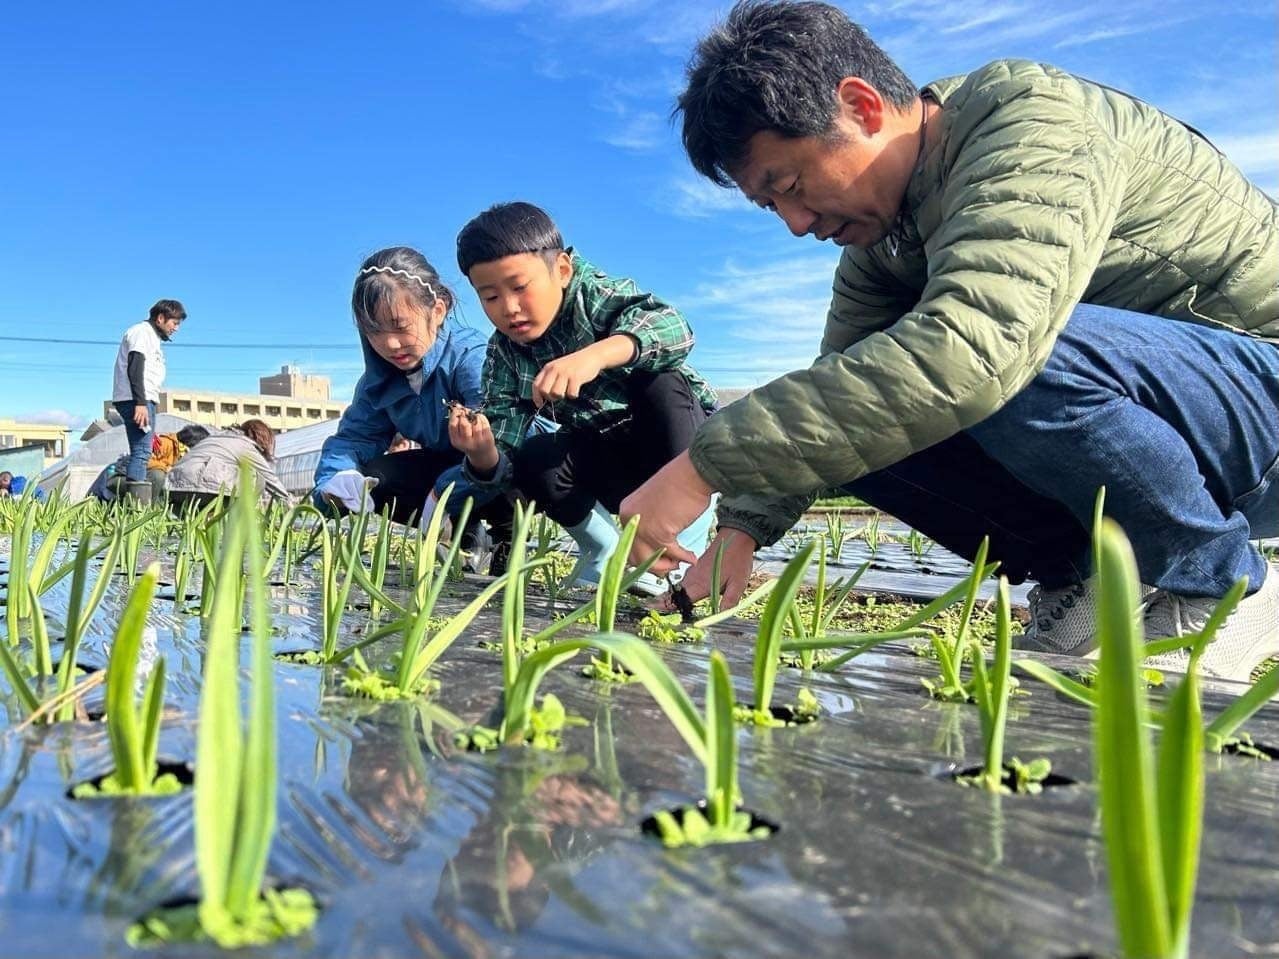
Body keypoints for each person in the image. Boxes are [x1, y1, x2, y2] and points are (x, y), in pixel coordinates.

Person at [621, 0, 1279, 682]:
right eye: (771, 205)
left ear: (861, 106)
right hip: (1179, 424)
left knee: (1004, 357)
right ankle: (1086, 579)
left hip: (1260, 395)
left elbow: (976, 348)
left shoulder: (1030, 122)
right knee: (847, 410)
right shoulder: (885, 245)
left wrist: (701, 465)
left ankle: (1221, 584)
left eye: (789, 185)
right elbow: (833, 386)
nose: (793, 222)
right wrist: (738, 533)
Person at [449, 201, 718, 589]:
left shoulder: (594, 295)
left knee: (660, 383)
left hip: (680, 453)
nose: (509, 308)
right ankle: (606, 551)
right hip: (610, 461)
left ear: (561, 270)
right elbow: (504, 454)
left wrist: (594, 356)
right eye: (490, 297)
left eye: (520, 287)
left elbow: (673, 327)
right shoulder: (504, 353)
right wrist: (481, 452)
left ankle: (676, 553)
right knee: (538, 456)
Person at [313, 247, 517, 573]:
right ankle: (466, 536)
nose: (390, 344)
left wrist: (442, 493)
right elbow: (353, 438)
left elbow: (505, 438)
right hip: (445, 466)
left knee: (507, 463)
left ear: (437, 310)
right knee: (376, 477)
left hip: (497, 464)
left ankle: (506, 537)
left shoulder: (471, 356)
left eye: (400, 326)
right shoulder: (378, 380)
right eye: (374, 331)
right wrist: (336, 479)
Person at [110, 299, 186, 506]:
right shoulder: (142, 332)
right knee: (142, 452)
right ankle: (136, 509)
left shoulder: (152, 337)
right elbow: (135, 366)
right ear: (160, 318)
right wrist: (140, 403)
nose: (176, 328)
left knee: (143, 449)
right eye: (174, 323)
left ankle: (133, 506)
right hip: (136, 399)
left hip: (142, 399)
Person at [166, 419, 288, 512]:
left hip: (172, 491)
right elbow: (272, 481)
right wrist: (292, 513)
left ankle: (203, 522)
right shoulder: (245, 445)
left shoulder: (213, 438)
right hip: (205, 489)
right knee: (259, 479)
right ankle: (239, 524)